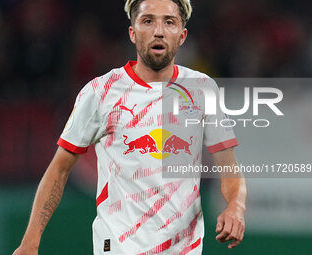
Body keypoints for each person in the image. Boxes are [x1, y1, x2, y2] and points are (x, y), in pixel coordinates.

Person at [13, 0, 246, 254]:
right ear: (133, 33)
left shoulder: (202, 90)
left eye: (169, 22)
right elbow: (59, 169)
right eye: (148, 21)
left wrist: (236, 205)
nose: (158, 30)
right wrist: (29, 242)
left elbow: (230, 169)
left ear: (182, 35)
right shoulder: (101, 92)